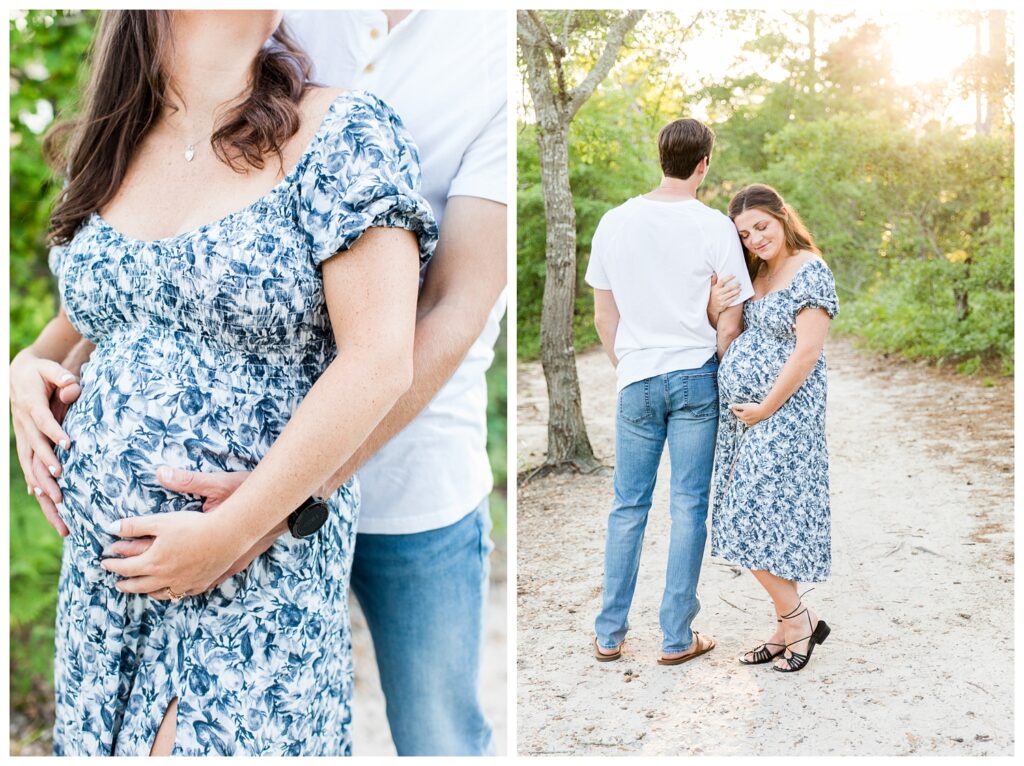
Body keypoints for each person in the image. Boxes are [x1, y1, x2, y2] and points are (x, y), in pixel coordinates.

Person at [21, 9, 507, 756]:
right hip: (109, 580)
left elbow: (424, 324)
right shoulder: (126, 136)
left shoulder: (390, 106)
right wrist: (19, 370)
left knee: (439, 733)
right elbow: (104, 307)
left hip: (339, 511)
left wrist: (249, 520)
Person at [585, 118, 754, 665]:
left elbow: (603, 314)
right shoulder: (713, 227)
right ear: (704, 164)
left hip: (636, 378)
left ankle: (610, 634)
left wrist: (629, 364)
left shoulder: (615, 222)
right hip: (695, 376)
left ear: (661, 156)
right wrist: (714, 359)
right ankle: (677, 638)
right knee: (688, 507)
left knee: (627, 506)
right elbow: (730, 318)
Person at [707, 183, 838, 673]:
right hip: (748, 420)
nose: (755, 239)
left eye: (761, 227)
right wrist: (716, 307)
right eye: (744, 234)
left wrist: (765, 407)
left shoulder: (810, 270)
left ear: (783, 216)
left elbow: (807, 352)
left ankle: (798, 620)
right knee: (757, 520)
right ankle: (787, 625)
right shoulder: (758, 274)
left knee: (750, 514)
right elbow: (734, 336)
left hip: (786, 416)